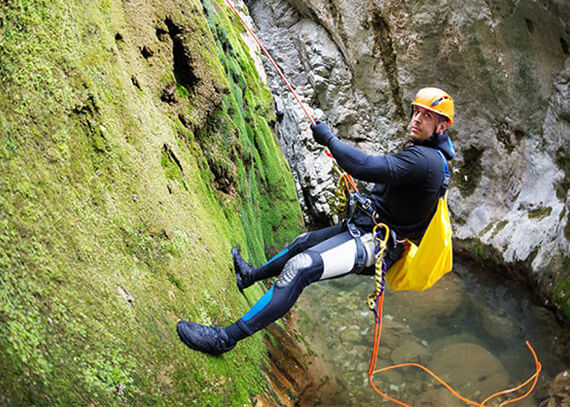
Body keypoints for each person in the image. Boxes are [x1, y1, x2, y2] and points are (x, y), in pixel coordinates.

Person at [176, 87, 456, 355]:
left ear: (442, 127)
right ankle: (249, 277)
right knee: (302, 243)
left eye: (427, 116)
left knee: (300, 267)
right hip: (367, 230)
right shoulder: (427, 156)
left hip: (377, 244)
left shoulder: (426, 161)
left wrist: (330, 140)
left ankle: (224, 339)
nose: (416, 119)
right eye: (416, 112)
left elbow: (365, 167)